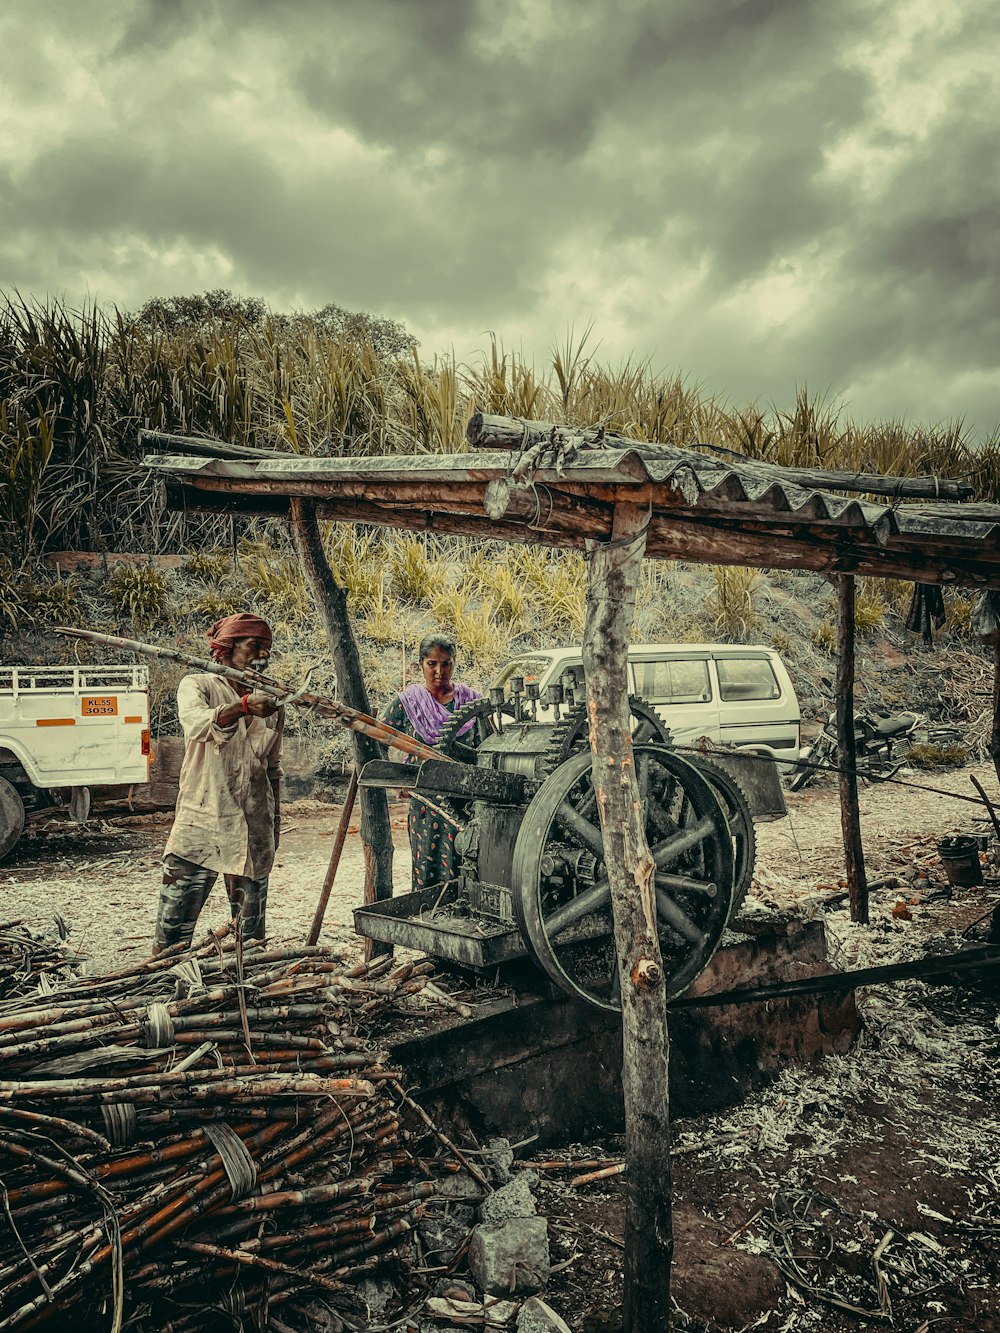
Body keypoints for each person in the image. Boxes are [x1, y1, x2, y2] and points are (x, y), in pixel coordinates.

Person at [153, 612, 284, 952]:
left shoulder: (271, 703)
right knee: (172, 940)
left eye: (267, 648)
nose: (263, 656)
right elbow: (197, 725)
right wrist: (241, 707)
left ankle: (243, 996)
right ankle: (163, 995)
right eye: (254, 646)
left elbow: (273, 769)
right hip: (201, 828)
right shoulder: (198, 685)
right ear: (225, 650)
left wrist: (275, 823)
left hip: (253, 831)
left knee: (250, 943)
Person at [381, 633, 481, 892]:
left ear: (454, 664)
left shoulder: (471, 702)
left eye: (446, 663)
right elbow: (377, 737)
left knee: (467, 860)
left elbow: (488, 748)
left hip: (466, 802)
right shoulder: (409, 703)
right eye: (432, 664)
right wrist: (396, 779)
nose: (439, 671)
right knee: (426, 863)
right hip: (426, 805)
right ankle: (428, 911)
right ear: (421, 665)